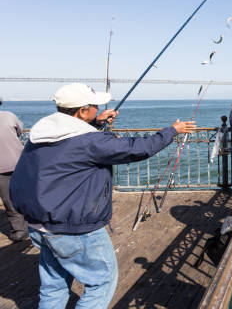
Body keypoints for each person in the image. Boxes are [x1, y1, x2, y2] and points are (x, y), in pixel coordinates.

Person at [10, 83, 195, 309]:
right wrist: (172, 131)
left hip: (39, 224)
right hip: (73, 227)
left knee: (54, 287)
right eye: (95, 106)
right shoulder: (89, 141)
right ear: (82, 111)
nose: (98, 109)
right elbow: (137, 148)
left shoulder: (43, 135)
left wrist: (96, 123)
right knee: (101, 282)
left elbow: (72, 145)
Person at [0, 99, 28, 242]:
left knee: (9, 200)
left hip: (3, 166)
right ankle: (29, 225)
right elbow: (20, 130)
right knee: (22, 194)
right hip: (18, 161)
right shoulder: (9, 115)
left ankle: (20, 231)